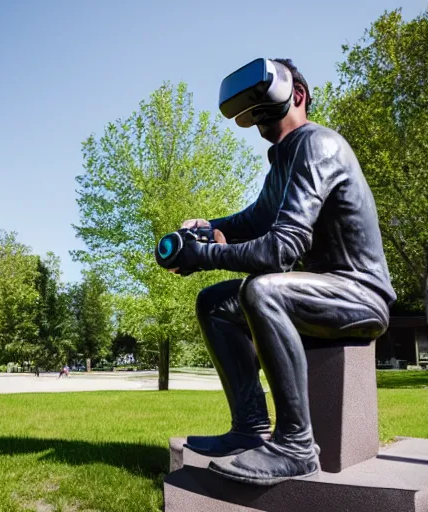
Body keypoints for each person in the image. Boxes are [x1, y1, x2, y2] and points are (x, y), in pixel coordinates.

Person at [166, 58, 396, 485]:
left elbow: (280, 249)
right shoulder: (284, 162)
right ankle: (250, 430)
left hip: (360, 294)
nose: (258, 122)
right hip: (322, 291)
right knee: (214, 303)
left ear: (299, 96)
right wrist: (209, 230)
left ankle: (295, 445)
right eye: (253, 116)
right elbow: (254, 220)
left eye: (265, 110)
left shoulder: (318, 144)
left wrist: (206, 258)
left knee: (262, 290)